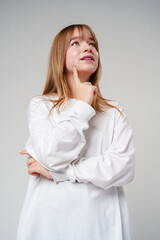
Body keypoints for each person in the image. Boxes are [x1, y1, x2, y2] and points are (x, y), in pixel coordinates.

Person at [16, 24, 135, 240]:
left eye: (92, 44)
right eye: (76, 43)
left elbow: (122, 168)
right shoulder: (41, 105)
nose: (88, 48)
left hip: (101, 222)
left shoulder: (114, 112)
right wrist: (82, 107)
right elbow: (51, 154)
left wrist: (61, 173)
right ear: (59, 57)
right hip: (49, 220)